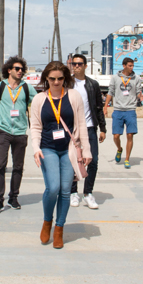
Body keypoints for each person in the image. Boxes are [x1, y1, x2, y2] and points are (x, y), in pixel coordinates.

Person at [30, 61, 93, 249]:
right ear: (46, 79)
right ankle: (47, 221)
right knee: (53, 187)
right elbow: (35, 126)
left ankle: (59, 228)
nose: (56, 82)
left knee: (66, 190)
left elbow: (82, 124)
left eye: (60, 78)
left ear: (65, 78)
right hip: (47, 148)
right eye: (52, 79)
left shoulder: (73, 96)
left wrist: (87, 150)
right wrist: (36, 148)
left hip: (69, 149)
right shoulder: (39, 99)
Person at [0, 56, 35, 214]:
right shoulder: (0, 86)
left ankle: (13, 197)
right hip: (3, 131)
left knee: (18, 167)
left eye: (22, 69)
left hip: (20, 132)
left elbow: (38, 102)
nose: (20, 71)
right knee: (0, 165)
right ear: (9, 70)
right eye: (17, 69)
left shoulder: (26, 87)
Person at [68, 54, 106, 209]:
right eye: (74, 64)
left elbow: (98, 108)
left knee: (93, 161)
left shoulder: (93, 84)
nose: (77, 66)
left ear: (85, 66)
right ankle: (72, 192)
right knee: (72, 161)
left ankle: (88, 193)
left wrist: (103, 128)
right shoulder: (66, 83)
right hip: (71, 129)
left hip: (90, 127)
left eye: (80, 64)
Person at [104, 57, 143, 169]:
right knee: (116, 135)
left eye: (132, 66)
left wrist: (140, 97)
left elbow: (137, 92)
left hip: (130, 110)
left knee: (130, 135)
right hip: (118, 109)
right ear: (124, 65)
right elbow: (110, 92)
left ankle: (127, 159)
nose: (131, 68)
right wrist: (105, 106)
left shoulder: (136, 78)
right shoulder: (116, 78)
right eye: (129, 66)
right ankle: (119, 149)